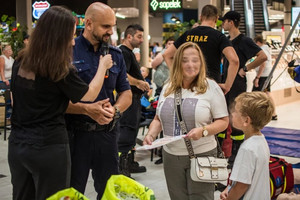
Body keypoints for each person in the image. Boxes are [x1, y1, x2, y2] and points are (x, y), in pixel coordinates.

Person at [8, 6, 113, 200]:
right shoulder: (59, 68)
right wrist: (102, 66)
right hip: (48, 147)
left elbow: (23, 101)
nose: (73, 42)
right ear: (57, 37)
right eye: (70, 36)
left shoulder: (20, 61)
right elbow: (89, 94)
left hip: (17, 146)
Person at [143, 42, 229, 199]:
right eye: (185, 60)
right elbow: (158, 118)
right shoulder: (168, 87)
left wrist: (204, 131)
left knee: (201, 197)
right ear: (177, 63)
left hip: (202, 154)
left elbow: (223, 121)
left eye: (195, 60)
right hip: (171, 156)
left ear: (201, 62)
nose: (190, 65)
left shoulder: (211, 87)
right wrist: (151, 135)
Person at [65, 3, 132, 199]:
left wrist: (116, 111)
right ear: (88, 23)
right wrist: (87, 110)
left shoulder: (116, 54)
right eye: (105, 27)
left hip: (108, 135)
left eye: (112, 26)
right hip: (76, 135)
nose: (110, 32)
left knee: (110, 191)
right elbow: (58, 101)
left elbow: (125, 92)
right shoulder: (69, 52)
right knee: (72, 190)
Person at [220, 10, 267, 168]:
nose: (222, 24)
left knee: (236, 117)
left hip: (237, 84)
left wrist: (245, 68)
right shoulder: (226, 40)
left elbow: (262, 56)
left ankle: (236, 153)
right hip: (225, 82)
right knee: (223, 115)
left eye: (224, 21)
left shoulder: (244, 40)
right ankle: (221, 150)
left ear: (231, 22)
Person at [163, 4, 239, 95]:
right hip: (211, 85)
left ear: (200, 17)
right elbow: (234, 60)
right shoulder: (219, 37)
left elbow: (166, 55)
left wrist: (177, 77)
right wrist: (227, 85)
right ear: (216, 19)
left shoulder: (188, 34)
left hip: (189, 84)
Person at [220, 91, 274, 200]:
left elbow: (241, 186)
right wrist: (229, 189)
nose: (232, 114)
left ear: (246, 120)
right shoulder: (260, 141)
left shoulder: (247, 149)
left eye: (236, 111)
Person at [118, 24, 150, 177]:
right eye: (139, 36)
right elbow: (121, 74)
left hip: (135, 100)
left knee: (131, 133)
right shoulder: (123, 52)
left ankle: (129, 163)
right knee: (126, 132)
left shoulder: (129, 53)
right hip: (128, 100)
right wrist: (139, 82)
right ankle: (122, 168)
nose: (142, 40)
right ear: (129, 36)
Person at [253, 35, 277, 120]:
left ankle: (261, 113)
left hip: (263, 75)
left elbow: (262, 64)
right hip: (267, 74)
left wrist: (257, 77)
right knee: (267, 93)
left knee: (257, 94)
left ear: (258, 42)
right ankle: (273, 113)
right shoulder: (267, 48)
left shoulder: (262, 49)